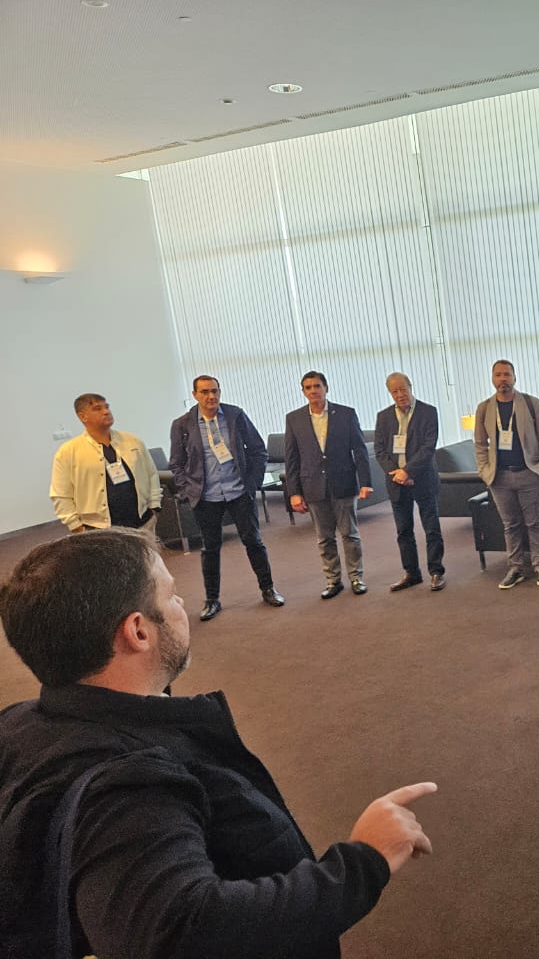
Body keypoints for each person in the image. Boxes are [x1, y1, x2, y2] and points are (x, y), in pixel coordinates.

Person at [0, 529, 436, 958]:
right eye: (171, 595)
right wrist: (364, 861)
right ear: (138, 631)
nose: (181, 605)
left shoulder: (18, 725)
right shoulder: (130, 782)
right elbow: (180, 932)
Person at [168, 376, 285, 621]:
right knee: (210, 548)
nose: (211, 396)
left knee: (253, 542)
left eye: (214, 391)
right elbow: (176, 462)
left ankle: (268, 589)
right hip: (206, 496)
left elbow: (258, 450)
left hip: (238, 491)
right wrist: (188, 489)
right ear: (195, 395)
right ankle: (212, 600)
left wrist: (252, 485)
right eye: (204, 392)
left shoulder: (235, 415)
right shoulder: (182, 424)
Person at [284, 370, 374, 598]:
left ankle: (356, 577)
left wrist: (365, 482)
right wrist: (294, 492)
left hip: (343, 482)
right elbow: (292, 458)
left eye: (317, 386)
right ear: (303, 392)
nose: (313, 391)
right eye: (308, 387)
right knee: (324, 538)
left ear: (326, 388)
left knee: (350, 534)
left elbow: (360, 450)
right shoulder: (294, 419)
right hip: (313, 485)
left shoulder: (345, 414)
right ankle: (333, 580)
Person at [473, 360, 539, 589]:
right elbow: (480, 443)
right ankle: (516, 568)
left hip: (529, 473)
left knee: (535, 522)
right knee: (510, 524)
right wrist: (484, 470)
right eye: (498, 375)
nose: (503, 379)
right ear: (492, 379)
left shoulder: (530, 403)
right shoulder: (484, 408)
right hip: (499, 477)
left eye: (507, 374)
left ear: (515, 377)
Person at [374, 372, 446, 593]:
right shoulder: (383, 416)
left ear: (410, 387)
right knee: (404, 530)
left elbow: (428, 447)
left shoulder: (428, 412)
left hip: (422, 478)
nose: (400, 394)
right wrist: (396, 473)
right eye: (394, 391)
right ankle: (411, 573)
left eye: (403, 389)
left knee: (431, 528)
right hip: (396, 482)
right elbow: (380, 450)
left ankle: (436, 572)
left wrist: (408, 471)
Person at [51, 393, 161, 534]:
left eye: (107, 407)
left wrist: (155, 506)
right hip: (97, 529)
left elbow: (151, 474)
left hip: (142, 522)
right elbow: (61, 493)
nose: (106, 411)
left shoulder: (133, 441)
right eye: (98, 408)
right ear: (82, 417)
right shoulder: (68, 451)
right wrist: (75, 526)